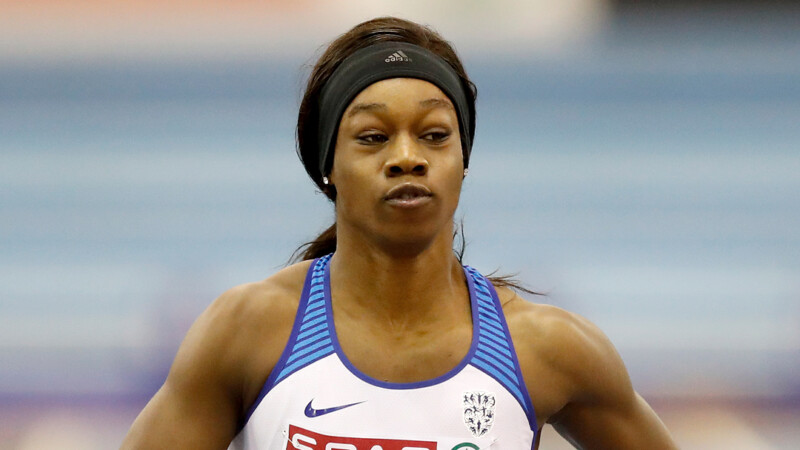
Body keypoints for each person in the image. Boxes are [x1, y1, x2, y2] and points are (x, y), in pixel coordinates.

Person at [121, 17, 677, 450]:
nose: (407, 157)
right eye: (373, 137)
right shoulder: (248, 331)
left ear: (463, 161)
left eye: (434, 135)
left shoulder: (547, 348)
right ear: (327, 165)